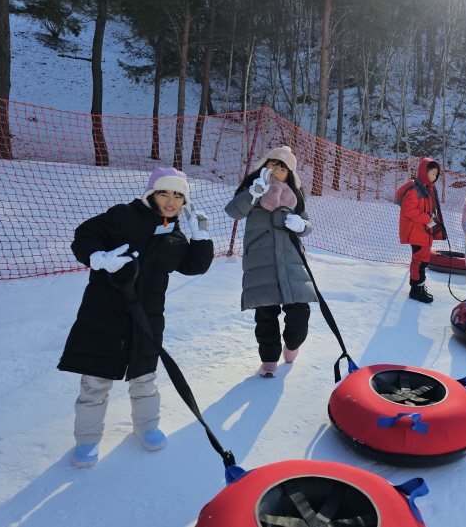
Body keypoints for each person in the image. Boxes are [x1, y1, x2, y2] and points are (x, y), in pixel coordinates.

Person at [58, 168, 214, 468]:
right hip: (104, 313)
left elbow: (194, 266)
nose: (170, 201)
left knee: (145, 377)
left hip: (148, 316)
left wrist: (201, 235)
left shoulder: (176, 234)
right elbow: (85, 234)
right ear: (150, 194)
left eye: (178, 195)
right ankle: (87, 440)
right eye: (164, 192)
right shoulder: (122, 216)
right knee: (95, 381)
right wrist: (98, 257)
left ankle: (146, 427)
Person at [225, 146, 316, 378]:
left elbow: (307, 224)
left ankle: (293, 345)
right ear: (263, 166)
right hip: (261, 263)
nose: (276, 170)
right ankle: (268, 361)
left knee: (299, 312)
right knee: (266, 316)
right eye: (272, 163)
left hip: (291, 263)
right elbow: (233, 211)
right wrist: (254, 193)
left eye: (282, 167)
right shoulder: (251, 191)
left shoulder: (295, 197)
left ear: (290, 175)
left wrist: (301, 226)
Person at [395, 157, 445, 303]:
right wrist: (427, 219)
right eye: (433, 173)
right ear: (424, 172)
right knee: (419, 261)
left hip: (424, 231)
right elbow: (409, 210)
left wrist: (432, 219)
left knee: (423, 259)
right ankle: (416, 290)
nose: (435, 177)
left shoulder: (428, 189)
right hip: (416, 231)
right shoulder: (415, 188)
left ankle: (420, 286)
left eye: (436, 174)